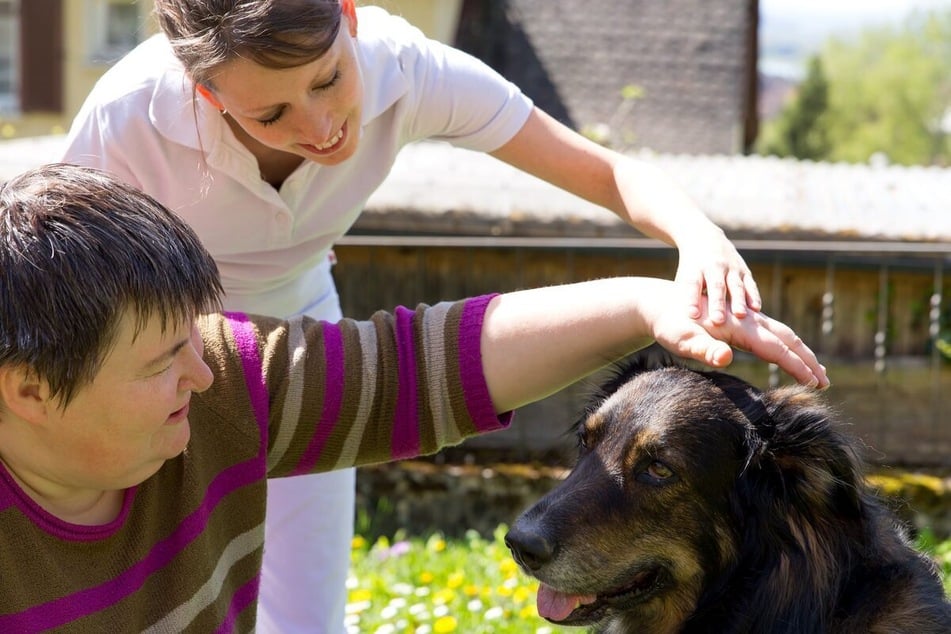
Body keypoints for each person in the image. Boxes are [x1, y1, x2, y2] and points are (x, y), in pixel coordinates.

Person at [62, 1, 766, 630]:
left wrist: (696, 237)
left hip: (307, 346)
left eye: (327, 79)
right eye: (270, 116)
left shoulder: (408, 69)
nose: (320, 126)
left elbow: (606, 172)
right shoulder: (128, 115)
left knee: (307, 613)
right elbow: (58, 291)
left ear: (349, 16)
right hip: (160, 358)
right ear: (205, 94)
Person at [0, 163, 825, 633]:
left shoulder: (224, 383)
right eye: (160, 362)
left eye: (195, 336)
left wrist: (647, 304)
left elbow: (408, 368)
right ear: (29, 389)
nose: (206, 373)